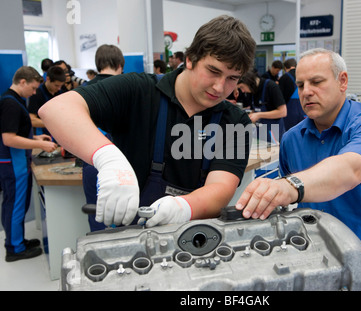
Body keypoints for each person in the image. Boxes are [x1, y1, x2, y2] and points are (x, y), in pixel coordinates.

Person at [39, 15, 256, 228]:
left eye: (232, 78)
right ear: (190, 59)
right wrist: (108, 159)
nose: (219, 87)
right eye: (213, 71)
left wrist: (182, 207)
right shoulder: (138, 91)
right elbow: (56, 110)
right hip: (125, 235)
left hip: (188, 236)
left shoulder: (235, 122)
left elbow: (219, 188)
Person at [236, 48, 361, 291]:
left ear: (342, 81)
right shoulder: (291, 140)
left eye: (317, 82)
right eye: (301, 84)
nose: (306, 91)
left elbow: (349, 170)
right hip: (323, 267)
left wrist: (289, 186)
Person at [0, 66, 57, 262]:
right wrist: (39, 144)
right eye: (32, 88)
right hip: (13, 163)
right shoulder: (10, 104)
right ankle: (15, 248)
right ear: (22, 82)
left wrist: (37, 137)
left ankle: (18, 241)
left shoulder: (13, 100)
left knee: (16, 204)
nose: (34, 93)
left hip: (17, 161)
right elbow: (9, 138)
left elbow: (20, 129)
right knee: (15, 205)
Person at [82, 44, 125, 232]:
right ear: (119, 64)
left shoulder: (82, 90)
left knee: (97, 215)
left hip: (90, 160)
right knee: (124, 215)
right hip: (121, 160)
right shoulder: (127, 89)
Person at [237, 70, 287, 143]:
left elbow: (283, 112)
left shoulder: (271, 87)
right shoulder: (252, 91)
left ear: (248, 82)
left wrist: (259, 115)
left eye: (242, 87)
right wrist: (251, 116)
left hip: (274, 133)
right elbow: (255, 109)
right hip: (261, 132)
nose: (243, 91)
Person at [28, 65, 66, 136]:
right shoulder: (37, 93)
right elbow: (32, 120)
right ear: (48, 79)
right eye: (56, 85)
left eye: (61, 86)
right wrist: (53, 124)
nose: (59, 88)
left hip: (58, 134)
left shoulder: (61, 92)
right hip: (42, 134)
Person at [278, 58, 305, 131]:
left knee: (290, 133)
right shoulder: (303, 76)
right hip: (303, 109)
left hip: (289, 112)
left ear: (285, 68)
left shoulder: (284, 77)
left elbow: (281, 97)